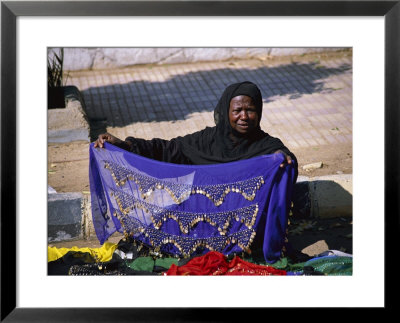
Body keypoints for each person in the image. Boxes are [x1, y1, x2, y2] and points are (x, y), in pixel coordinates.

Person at [94, 81, 297, 180]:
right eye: (237, 110)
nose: (243, 116)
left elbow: (287, 159)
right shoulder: (206, 141)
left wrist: (283, 158)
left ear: (259, 112)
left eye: (250, 110)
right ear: (226, 112)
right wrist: (125, 145)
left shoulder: (266, 145)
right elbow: (167, 149)